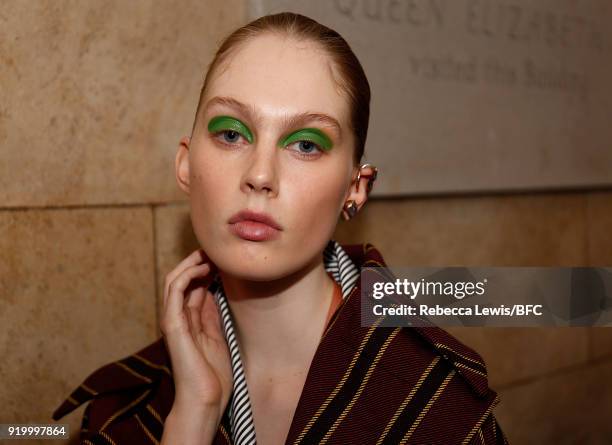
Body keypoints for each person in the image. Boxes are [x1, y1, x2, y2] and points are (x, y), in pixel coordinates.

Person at [52, 11, 509, 445]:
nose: (260, 174)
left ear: (355, 188)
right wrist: (193, 417)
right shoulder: (123, 412)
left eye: (306, 144)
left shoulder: (439, 407)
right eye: (232, 134)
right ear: (186, 164)